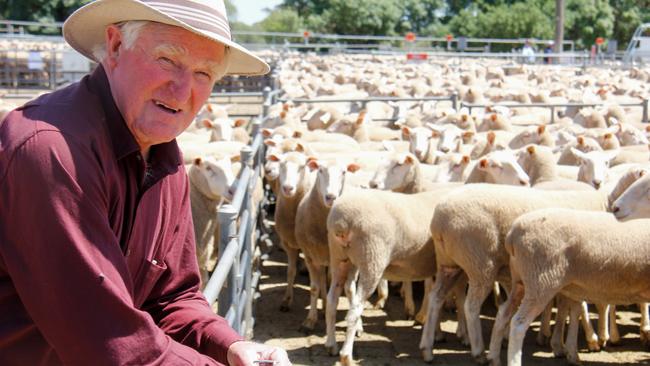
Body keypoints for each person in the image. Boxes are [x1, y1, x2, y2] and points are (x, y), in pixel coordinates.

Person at [0, 1, 291, 365]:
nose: (184, 90)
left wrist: (231, 346)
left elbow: (172, 298)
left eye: (204, 73)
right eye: (167, 59)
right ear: (116, 46)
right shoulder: (51, 151)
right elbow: (109, 341)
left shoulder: (164, 158)